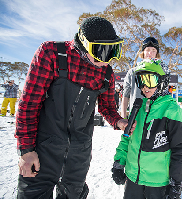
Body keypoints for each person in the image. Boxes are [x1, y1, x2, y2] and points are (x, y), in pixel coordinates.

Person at [15, 16, 134, 199]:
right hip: (43, 148)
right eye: (101, 51)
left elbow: (107, 107)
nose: (107, 60)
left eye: (113, 51)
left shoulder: (106, 73)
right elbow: (29, 104)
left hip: (79, 151)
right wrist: (26, 150)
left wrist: (118, 121)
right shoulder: (52, 53)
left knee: (73, 194)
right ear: (84, 44)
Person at [112, 59, 182, 199]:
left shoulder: (173, 111)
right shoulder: (138, 107)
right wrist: (119, 162)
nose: (144, 86)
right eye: (140, 80)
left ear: (163, 81)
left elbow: (180, 150)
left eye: (150, 80)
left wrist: (177, 183)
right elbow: (126, 138)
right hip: (132, 178)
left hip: (157, 183)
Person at [120, 37, 169, 118]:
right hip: (135, 117)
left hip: (154, 117)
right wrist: (123, 117)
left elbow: (165, 97)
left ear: (157, 54)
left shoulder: (162, 73)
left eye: (153, 50)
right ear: (143, 52)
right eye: (147, 50)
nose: (150, 53)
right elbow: (125, 96)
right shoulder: (132, 72)